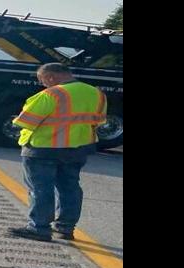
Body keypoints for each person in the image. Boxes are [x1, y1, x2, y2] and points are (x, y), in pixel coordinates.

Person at [7, 63, 108, 242]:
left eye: (42, 80)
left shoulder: (52, 94)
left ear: (51, 76)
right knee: (70, 187)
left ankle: (39, 228)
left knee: (40, 188)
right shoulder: (97, 94)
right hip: (78, 148)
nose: (43, 84)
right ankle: (65, 228)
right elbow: (98, 121)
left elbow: (26, 121)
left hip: (43, 148)